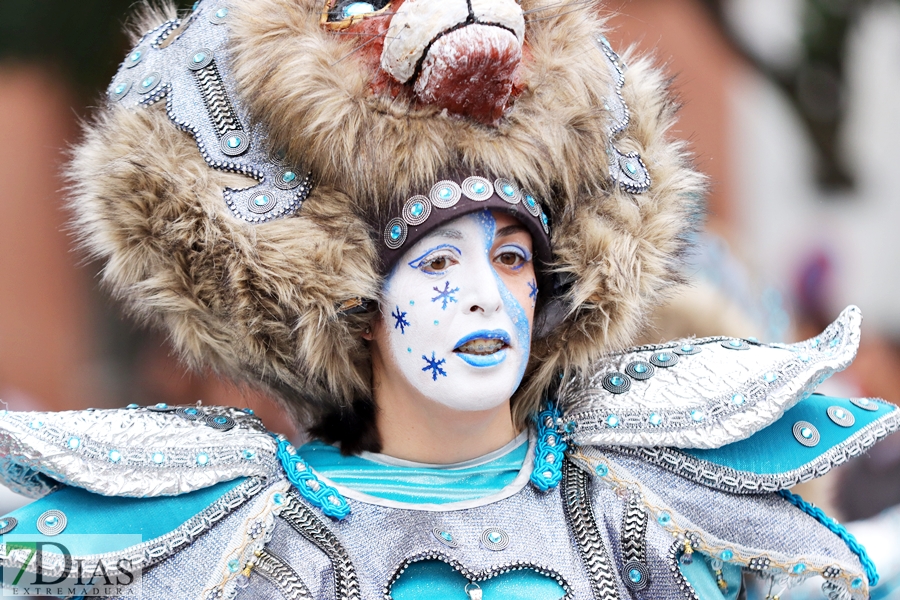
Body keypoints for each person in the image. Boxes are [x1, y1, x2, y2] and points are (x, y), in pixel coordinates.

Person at [0, 0, 896, 598]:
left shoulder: (644, 502)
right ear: (356, 299)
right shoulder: (251, 535)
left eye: (511, 259)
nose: (481, 298)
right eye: (435, 268)